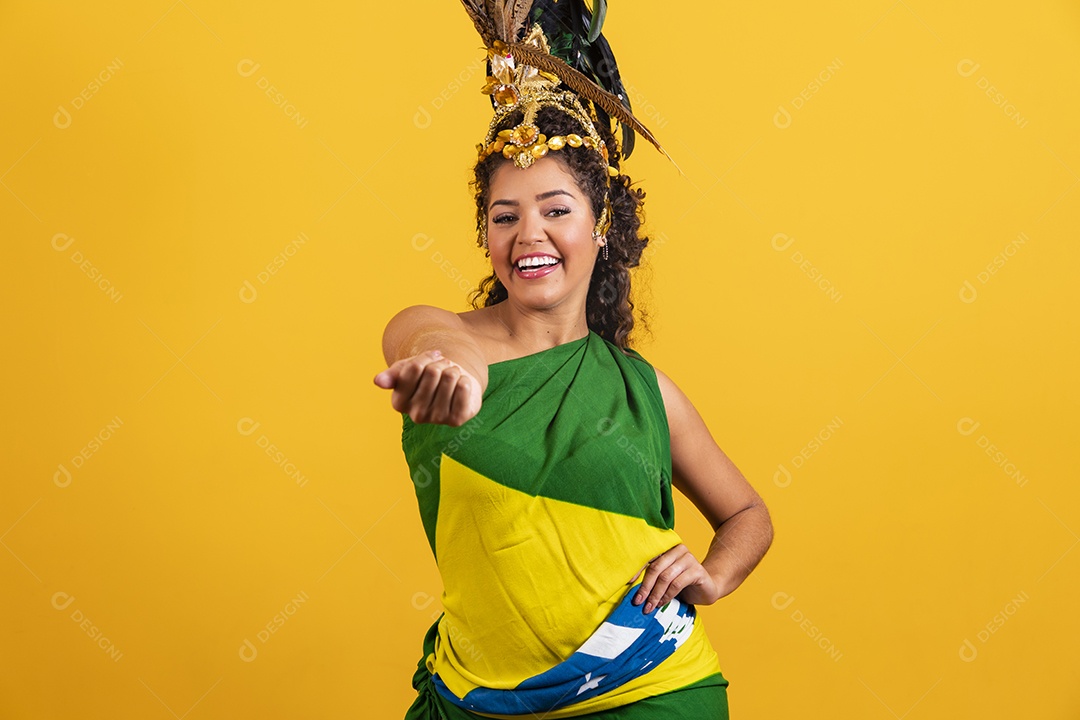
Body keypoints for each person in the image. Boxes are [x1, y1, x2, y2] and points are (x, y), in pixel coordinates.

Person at [373, 4, 774, 718]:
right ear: (486, 235)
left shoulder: (644, 391)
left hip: (650, 690)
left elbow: (747, 513)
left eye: (556, 210)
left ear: (601, 224)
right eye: (505, 216)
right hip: (476, 697)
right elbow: (436, 343)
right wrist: (453, 374)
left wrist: (712, 574)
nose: (529, 233)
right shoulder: (433, 334)